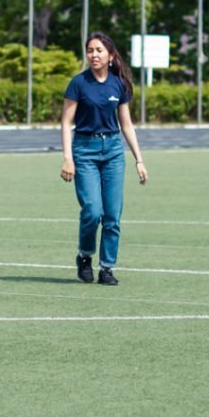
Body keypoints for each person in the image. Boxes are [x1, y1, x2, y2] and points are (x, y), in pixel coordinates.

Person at [60, 32, 148, 286]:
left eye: (99, 50)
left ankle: (107, 267)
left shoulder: (118, 85)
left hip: (113, 152)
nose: (94, 55)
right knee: (92, 210)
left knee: (112, 215)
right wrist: (68, 158)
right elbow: (66, 123)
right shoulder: (78, 83)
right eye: (90, 50)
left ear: (110, 55)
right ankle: (85, 255)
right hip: (84, 150)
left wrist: (139, 159)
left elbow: (126, 124)